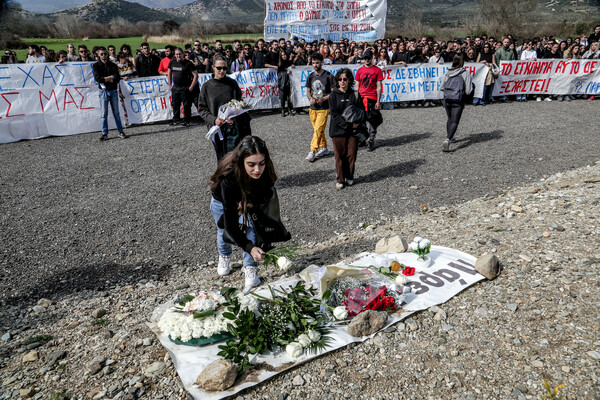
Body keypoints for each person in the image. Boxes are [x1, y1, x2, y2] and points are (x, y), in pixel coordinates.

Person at [208, 136, 280, 292]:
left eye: (261, 163)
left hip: (249, 198)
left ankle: (250, 268)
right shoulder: (229, 176)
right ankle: (225, 255)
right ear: (241, 162)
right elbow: (229, 225)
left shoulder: (265, 172)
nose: (257, 170)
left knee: (252, 230)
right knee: (223, 231)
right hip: (223, 201)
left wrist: (261, 244)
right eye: (251, 164)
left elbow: (268, 202)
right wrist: (238, 205)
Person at [198, 55, 252, 161]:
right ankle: (223, 177)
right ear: (213, 67)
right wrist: (214, 120)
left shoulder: (232, 83)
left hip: (234, 128)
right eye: (219, 68)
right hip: (218, 130)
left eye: (225, 68)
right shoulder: (207, 87)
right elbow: (202, 109)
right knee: (222, 158)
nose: (222, 71)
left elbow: (238, 102)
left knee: (237, 156)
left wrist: (239, 109)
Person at [329, 68, 360, 190]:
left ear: (349, 80)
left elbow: (359, 111)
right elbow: (334, 114)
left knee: (351, 154)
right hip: (338, 130)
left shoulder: (354, 94)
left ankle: (350, 176)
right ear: (337, 81)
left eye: (345, 79)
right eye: (340, 79)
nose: (342, 81)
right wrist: (346, 125)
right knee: (339, 156)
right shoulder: (333, 95)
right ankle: (340, 178)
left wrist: (357, 123)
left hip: (353, 131)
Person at [92, 47, 127, 141]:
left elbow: (117, 77)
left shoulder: (113, 65)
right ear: (98, 55)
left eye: (105, 53)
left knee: (116, 112)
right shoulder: (96, 66)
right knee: (104, 113)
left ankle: (120, 131)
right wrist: (110, 78)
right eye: (101, 54)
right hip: (103, 91)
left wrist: (106, 78)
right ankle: (104, 133)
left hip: (113, 91)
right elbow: (98, 79)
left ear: (107, 54)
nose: (104, 55)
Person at [439, 54, 473, 152]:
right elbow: (468, 91)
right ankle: (448, 139)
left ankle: (450, 136)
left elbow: (441, 87)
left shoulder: (448, 72)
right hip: (458, 99)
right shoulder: (465, 73)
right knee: (455, 121)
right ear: (462, 62)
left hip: (447, 98)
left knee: (449, 118)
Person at [305, 52, 334, 162]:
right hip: (313, 108)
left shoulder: (328, 76)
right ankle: (324, 147)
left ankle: (313, 150)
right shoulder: (310, 76)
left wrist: (324, 98)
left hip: (324, 108)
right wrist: (310, 98)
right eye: (313, 63)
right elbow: (308, 91)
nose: (315, 65)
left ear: (321, 62)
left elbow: (333, 93)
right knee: (318, 130)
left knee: (317, 129)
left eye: (317, 63)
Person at [354, 49, 383, 151]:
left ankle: (371, 140)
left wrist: (378, 101)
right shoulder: (360, 71)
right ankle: (362, 139)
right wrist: (355, 99)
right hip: (361, 98)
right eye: (365, 58)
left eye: (368, 58)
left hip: (372, 98)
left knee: (373, 120)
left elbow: (379, 87)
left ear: (372, 58)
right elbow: (357, 86)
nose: (366, 60)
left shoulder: (377, 70)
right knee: (361, 121)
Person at [168, 48, 198, 127]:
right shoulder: (172, 62)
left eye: (180, 54)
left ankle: (187, 121)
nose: (178, 56)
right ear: (175, 55)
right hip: (175, 88)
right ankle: (176, 120)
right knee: (175, 104)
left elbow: (196, 75)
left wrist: (191, 87)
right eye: (177, 54)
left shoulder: (188, 63)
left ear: (183, 54)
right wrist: (170, 85)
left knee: (186, 105)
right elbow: (169, 73)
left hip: (185, 88)